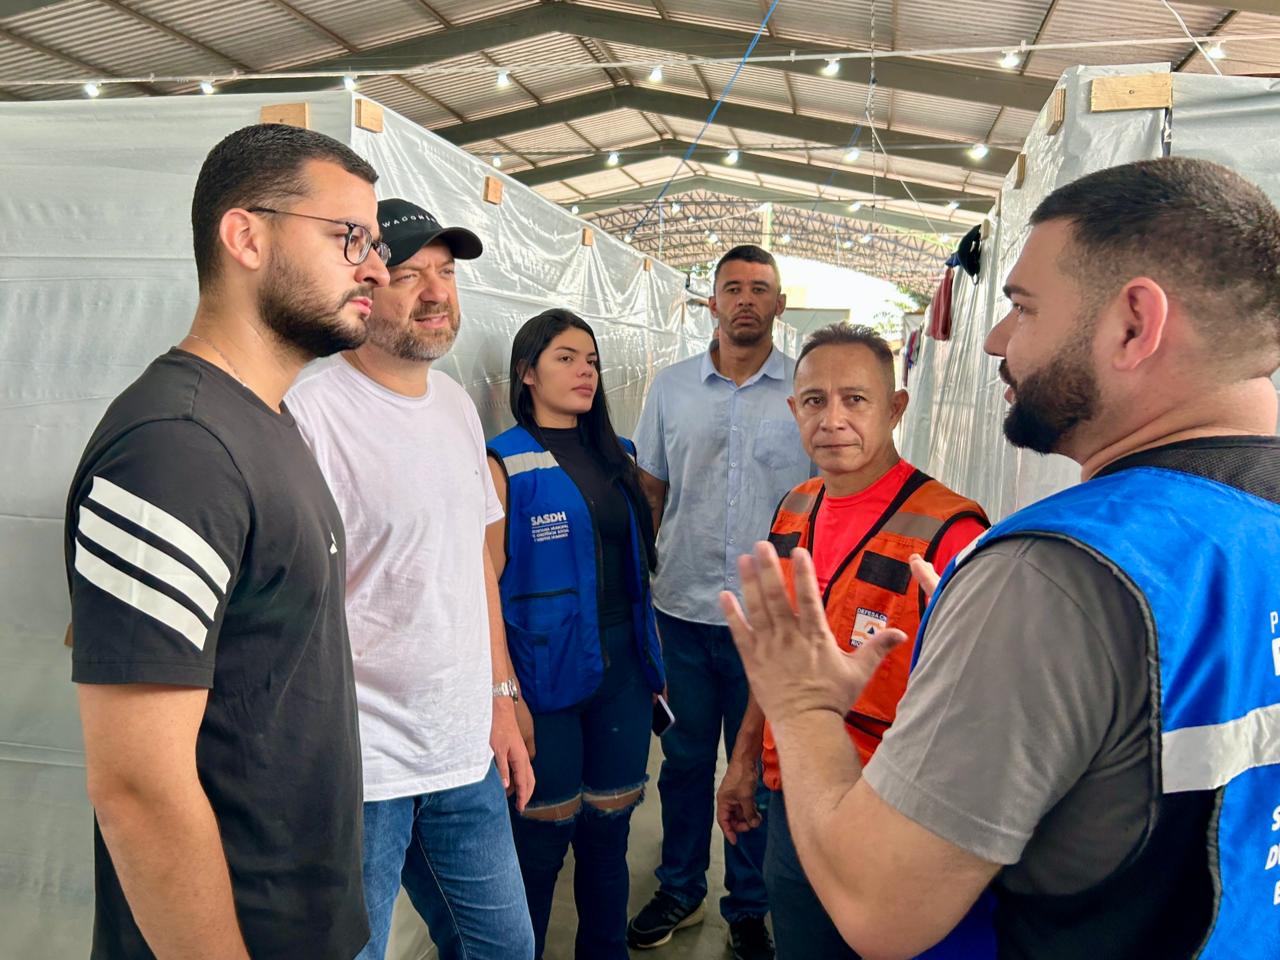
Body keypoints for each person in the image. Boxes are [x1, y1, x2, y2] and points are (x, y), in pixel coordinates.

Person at [719, 156, 1280, 960]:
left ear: (1134, 324)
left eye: (1022, 307)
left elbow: (881, 909)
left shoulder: (1057, 570)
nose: (994, 339)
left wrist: (804, 709)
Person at [64, 123, 390, 959]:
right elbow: (137, 787)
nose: (377, 269)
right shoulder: (177, 447)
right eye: (350, 237)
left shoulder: (266, 422)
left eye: (376, 243)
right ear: (245, 235)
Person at [286, 198, 535, 960]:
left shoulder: (456, 405)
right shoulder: (310, 411)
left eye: (446, 272)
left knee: (503, 948)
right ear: (363, 287)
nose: (436, 293)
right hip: (358, 771)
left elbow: (475, 567)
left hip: (461, 752)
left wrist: (501, 697)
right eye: (409, 275)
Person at [716, 323, 989, 959]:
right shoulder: (795, 509)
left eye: (855, 400)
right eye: (814, 400)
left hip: (896, 805)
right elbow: (780, 657)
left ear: (896, 408)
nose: (832, 419)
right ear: (793, 409)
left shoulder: (949, 528)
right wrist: (745, 757)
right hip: (796, 791)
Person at [628, 244, 811, 959]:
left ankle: (749, 906)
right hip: (681, 610)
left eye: (758, 288)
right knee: (681, 760)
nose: (744, 299)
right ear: (711, 302)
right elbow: (652, 492)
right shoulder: (671, 389)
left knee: (759, 765)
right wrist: (644, 588)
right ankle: (679, 885)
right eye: (731, 287)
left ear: (779, 304)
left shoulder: (802, 391)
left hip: (769, 622)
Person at [486, 309, 666, 959]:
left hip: (621, 671)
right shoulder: (503, 464)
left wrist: (651, 673)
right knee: (540, 841)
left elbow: (637, 573)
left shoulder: (620, 459)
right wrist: (504, 693)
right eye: (565, 357)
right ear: (526, 372)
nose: (584, 370)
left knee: (608, 835)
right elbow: (484, 591)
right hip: (543, 680)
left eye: (590, 359)